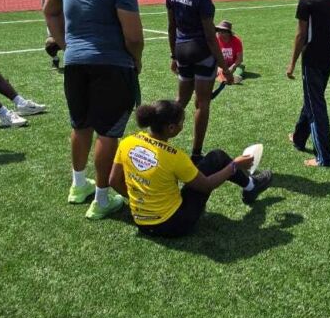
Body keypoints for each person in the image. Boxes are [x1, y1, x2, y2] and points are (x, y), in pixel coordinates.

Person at [44, 0, 144, 220]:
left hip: (75, 63)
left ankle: (78, 185)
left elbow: (49, 11)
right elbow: (134, 38)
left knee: (80, 124)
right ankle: (101, 199)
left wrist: (65, 44)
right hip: (111, 65)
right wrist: (136, 61)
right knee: (109, 131)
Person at [110, 100, 273, 238]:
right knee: (218, 157)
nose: (183, 125)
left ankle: (250, 185)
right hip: (175, 225)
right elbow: (207, 185)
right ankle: (251, 186)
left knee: (207, 164)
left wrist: (139, 200)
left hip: (141, 223)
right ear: (171, 128)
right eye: (182, 122)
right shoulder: (175, 156)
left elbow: (113, 181)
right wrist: (234, 165)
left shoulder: (127, 142)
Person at [166, 0, 233, 162]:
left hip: (182, 51)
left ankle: (158, 140)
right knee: (202, 103)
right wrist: (224, 67)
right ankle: (196, 154)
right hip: (201, 53)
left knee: (180, 100)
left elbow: (171, 26)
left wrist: (174, 56)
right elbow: (210, 37)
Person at [287, 0, 330, 168]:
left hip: (312, 58)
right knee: (313, 97)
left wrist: (292, 63)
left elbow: (301, 36)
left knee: (315, 104)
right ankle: (299, 138)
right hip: (328, 54)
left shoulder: (306, 1)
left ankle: (324, 157)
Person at [215, 20, 245, 84]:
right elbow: (211, 57)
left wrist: (232, 67)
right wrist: (219, 67)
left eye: (222, 31)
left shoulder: (236, 40)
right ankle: (224, 78)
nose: (219, 33)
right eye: (218, 30)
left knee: (240, 67)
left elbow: (240, 59)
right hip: (219, 65)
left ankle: (234, 77)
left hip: (233, 65)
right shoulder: (215, 40)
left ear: (228, 32)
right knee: (214, 69)